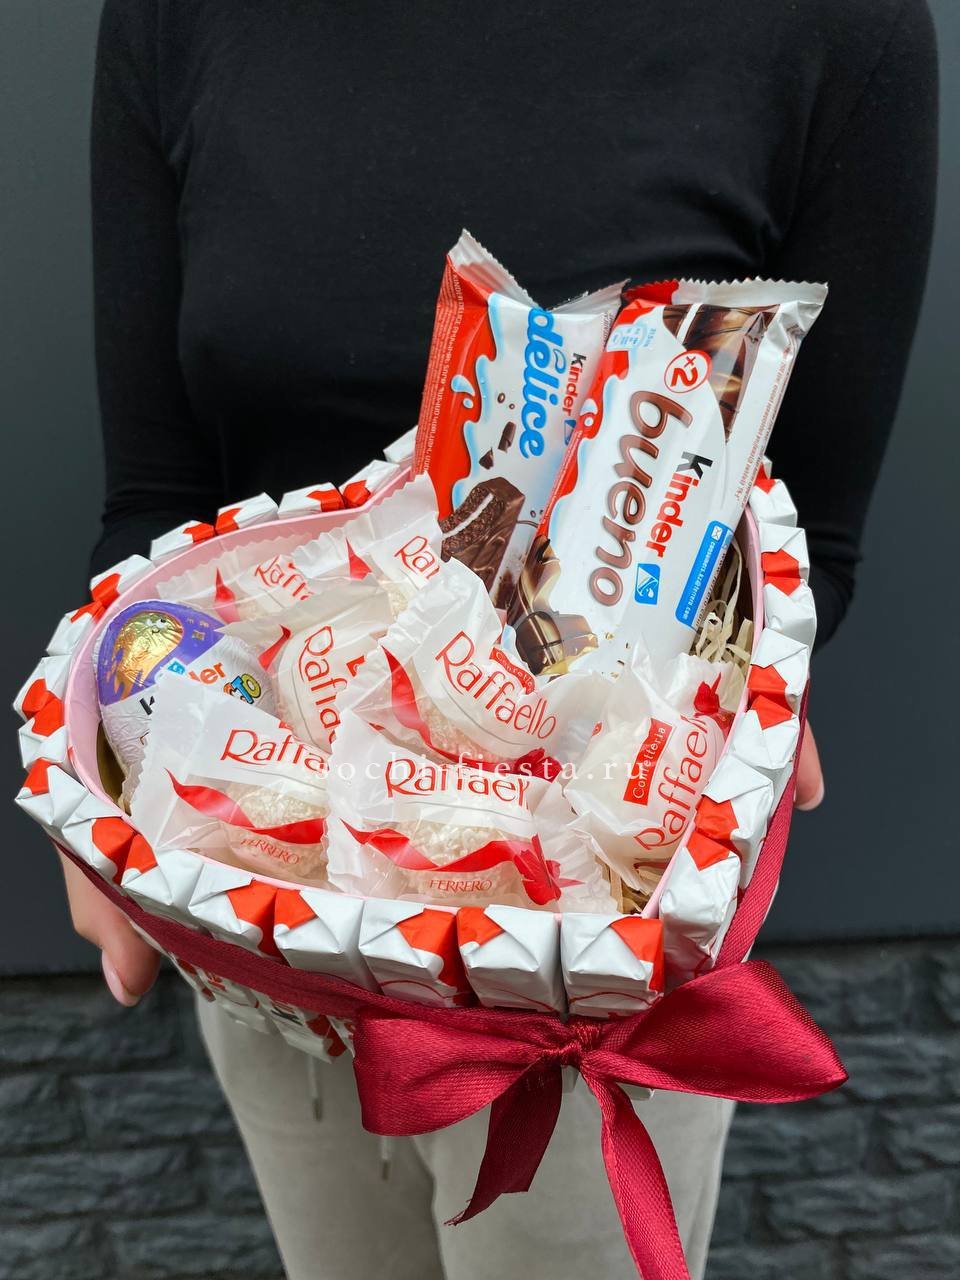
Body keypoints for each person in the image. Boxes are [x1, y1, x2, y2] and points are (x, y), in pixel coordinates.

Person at [59, 2, 938, 1277]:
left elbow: (814, 547)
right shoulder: (177, 17)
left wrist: (744, 703)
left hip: (589, 968)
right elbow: (153, 502)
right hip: (259, 898)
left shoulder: (836, 30)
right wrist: (107, 761)